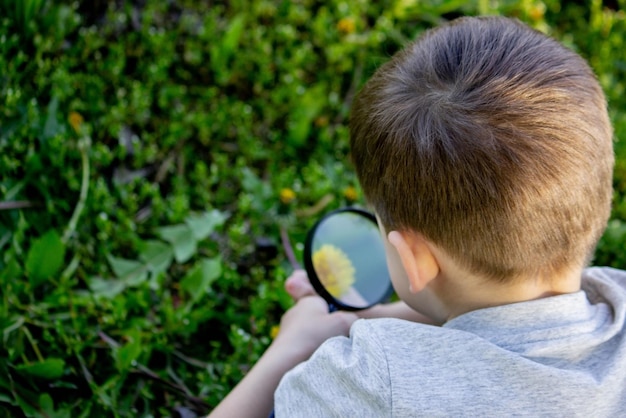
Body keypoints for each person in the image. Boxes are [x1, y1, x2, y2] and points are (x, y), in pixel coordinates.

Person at [209, 15, 626, 417]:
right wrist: (355, 318)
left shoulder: (369, 382)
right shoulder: (618, 299)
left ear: (416, 261)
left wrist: (289, 348)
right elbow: (504, 323)